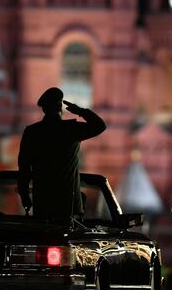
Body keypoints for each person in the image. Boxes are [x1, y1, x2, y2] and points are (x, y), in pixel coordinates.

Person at [17, 87, 106, 224]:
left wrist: (24, 195)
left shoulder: (32, 132)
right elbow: (100, 125)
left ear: (44, 109)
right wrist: (80, 111)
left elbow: (24, 168)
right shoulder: (70, 129)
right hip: (69, 208)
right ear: (60, 106)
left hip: (43, 206)